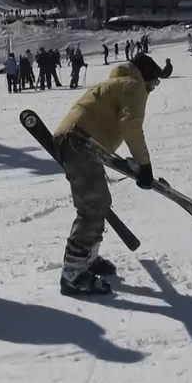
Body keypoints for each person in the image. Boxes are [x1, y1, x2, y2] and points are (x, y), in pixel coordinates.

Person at [52, 53, 163, 295]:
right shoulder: (134, 86)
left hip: (79, 142)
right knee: (92, 207)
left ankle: (87, 259)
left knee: (99, 203)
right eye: (155, 82)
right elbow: (130, 124)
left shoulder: (117, 83)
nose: (154, 88)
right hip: (81, 144)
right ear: (147, 76)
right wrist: (145, 166)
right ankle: (73, 274)